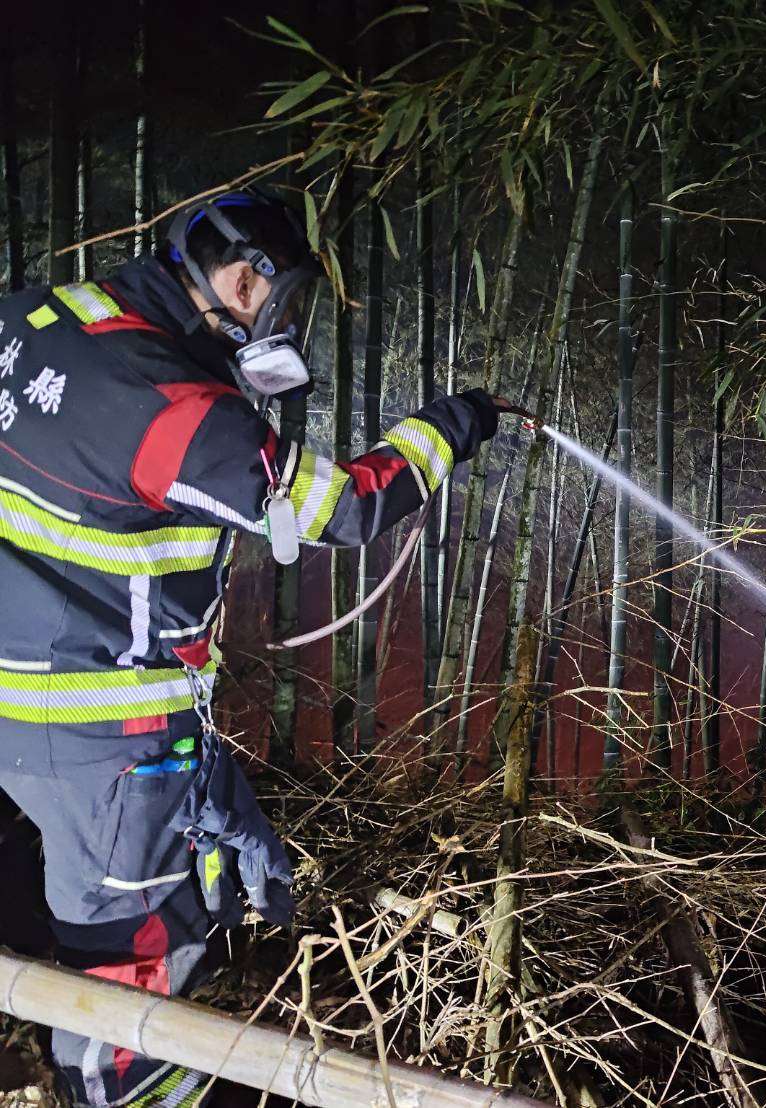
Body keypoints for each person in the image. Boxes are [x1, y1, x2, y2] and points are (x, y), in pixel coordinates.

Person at [0, 188, 528, 1107]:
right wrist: (458, 421)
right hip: (101, 734)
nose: (290, 330)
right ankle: (123, 1093)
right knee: (136, 960)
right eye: (289, 308)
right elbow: (353, 503)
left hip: (39, 703)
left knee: (205, 864)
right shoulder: (174, 409)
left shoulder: (38, 323)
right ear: (245, 283)